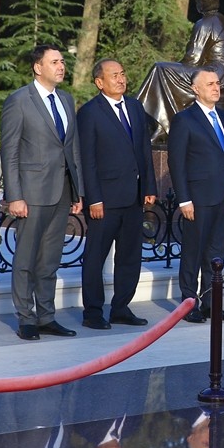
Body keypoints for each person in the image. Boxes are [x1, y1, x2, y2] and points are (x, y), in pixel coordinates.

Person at [0, 44, 84, 341]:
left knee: (49, 259)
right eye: (55, 62)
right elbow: (9, 151)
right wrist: (14, 196)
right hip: (32, 193)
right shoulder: (19, 101)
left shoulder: (65, 99)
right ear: (38, 67)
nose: (61, 66)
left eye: (62, 61)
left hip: (62, 191)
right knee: (25, 259)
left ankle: (47, 315)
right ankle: (26, 318)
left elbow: (72, 148)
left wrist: (78, 191)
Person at [76, 59, 156, 329]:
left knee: (130, 256)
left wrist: (149, 187)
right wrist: (93, 198)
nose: (121, 79)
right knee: (96, 257)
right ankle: (93, 312)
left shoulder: (134, 106)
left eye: (122, 74)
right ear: (100, 82)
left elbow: (144, 149)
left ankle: (121, 307)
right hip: (105, 200)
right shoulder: (90, 112)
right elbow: (87, 159)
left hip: (133, 197)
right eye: (114, 76)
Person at [169, 68, 224, 323]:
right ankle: (189, 304)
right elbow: (176, 162)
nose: (216, 87)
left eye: (217, 83)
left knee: (216, 254)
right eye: (209, 83)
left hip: (223, 195)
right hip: (197, 198)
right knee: (193, 251)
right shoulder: (185, 119)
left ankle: (212, 303)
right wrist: (184, 199)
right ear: (195, 89)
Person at [135, 0, 224, 141]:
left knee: (160, 69)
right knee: (164, 70)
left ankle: (147, 118)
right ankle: (162, 125)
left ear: (201, 3)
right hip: (222, 71)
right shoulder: (222, 20)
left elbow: (193, 59)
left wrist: (176, 66)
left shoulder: (204, 23)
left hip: (211, 71)